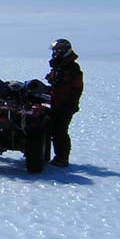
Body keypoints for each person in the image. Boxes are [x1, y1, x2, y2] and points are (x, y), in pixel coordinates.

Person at [45, 38, 84, 167]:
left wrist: (72, 104)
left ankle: (62, 158)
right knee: (51, 128)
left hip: (65, 104)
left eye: (58, 50)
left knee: (60, 130)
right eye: (55, 51)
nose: (55, 53)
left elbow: (77, 87)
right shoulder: (60, 65)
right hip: (56, 102)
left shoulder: (72, 67)